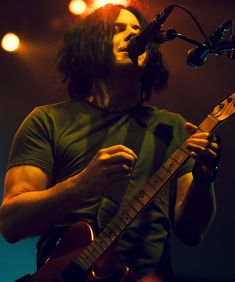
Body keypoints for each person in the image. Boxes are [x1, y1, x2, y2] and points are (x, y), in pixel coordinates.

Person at [0, 4, 220, 282]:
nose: (131, 36)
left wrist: (205, 177)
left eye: (136, 30)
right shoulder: (47, 120)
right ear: (89, 44)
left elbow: (192, 233)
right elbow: (11, 223)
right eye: (118, 30)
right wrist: (81, 185)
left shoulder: (173, 127)